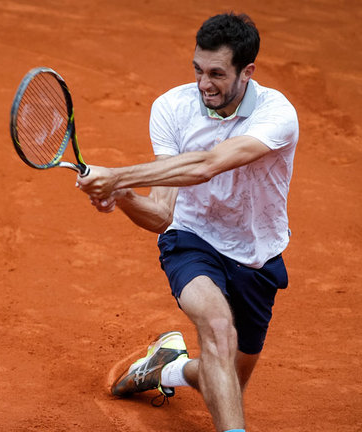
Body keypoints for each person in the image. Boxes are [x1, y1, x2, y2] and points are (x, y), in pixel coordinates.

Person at [75, 12, 299, 432]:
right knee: (216, 326)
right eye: (198, 69)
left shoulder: (276, 115)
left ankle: (167, 369)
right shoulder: (171, 108)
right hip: (192, 239)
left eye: (216, 73)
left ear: (247, 72)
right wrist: (122, 196)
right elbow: (162, 215)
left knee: (225, 377)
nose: (203, 84)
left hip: (258, 255)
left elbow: (207, 166)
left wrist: (119, 176)